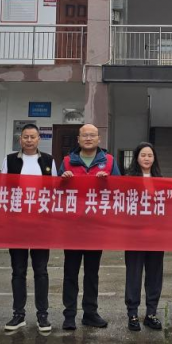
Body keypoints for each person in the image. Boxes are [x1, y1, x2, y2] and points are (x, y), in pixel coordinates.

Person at [59, 123, 120, 330]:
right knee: (70, 273)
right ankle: (69, 315)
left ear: (98, 139)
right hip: (72, 227)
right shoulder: (67, 161)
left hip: (95, 227)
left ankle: (90, 313)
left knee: (92, 273)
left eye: (92, 135)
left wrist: (107, 182)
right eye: (84, 135)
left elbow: (119, 189)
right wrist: (63, 180)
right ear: (78, 139)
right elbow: (56, 192)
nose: (88, 138)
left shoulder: (109, 161)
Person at [1, 123, 57, 334]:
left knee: (41, 271)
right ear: (20, 139)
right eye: (26, 136)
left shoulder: (48, 161)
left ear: (39, 139)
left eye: (33, 137)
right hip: (17, 224)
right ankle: (18, 314)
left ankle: (43, 315)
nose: (29, 140)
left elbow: (54, 190)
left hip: (41, 224)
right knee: (18, 270)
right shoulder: (10, 160)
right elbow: (3, 188)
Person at [123, 142, 165, 332]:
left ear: (154, 158)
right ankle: (132, 313)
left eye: (150, 155)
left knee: (154, 275)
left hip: (156, 236)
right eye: (143, 155)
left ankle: (151, 313)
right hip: (134, 236)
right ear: (136, 158)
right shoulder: (128, 179)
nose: (146, 158)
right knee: (133, 274)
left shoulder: (161, 180)